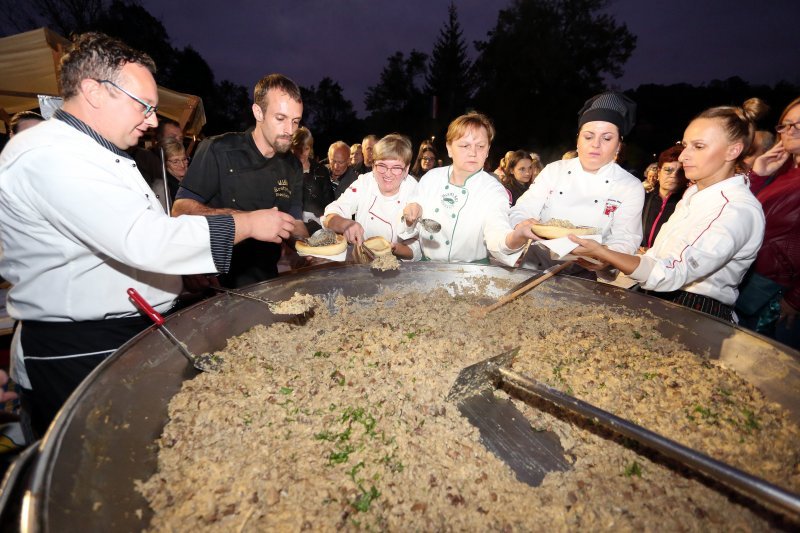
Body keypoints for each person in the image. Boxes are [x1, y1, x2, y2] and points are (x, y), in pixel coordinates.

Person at [0, 32, 296, 437]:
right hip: (78, 349)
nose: (153, 120)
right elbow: (145, 239)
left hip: (131, 331)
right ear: (94, 91)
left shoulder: (102, 154)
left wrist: (180, 278)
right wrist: (247, 224)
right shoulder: (49, 153)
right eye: (144, 106)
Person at [570, 99, 767, 322]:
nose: (683, 156)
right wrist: (609, 259)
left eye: (698, 146)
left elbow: (669, 272)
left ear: (733, 150)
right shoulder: (695, 195)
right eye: (685, 145)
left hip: (696, 314)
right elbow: (657, 257)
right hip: (658, 299)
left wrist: (603, 252)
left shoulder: (735, 209)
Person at [172, 73, 307, 288]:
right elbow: (180, 210)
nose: (290, 131)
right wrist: (248, 220)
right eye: (280, 119)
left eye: (296, 121)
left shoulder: (293, 166)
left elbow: (295, 222)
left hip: (266, 280)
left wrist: (310, 248)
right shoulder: (218, 149)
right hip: (216, 281)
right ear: (258, 112)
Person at [509, 92, 644, 278]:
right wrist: (521, 224)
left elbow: (626, 239)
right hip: (534, 266)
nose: (595, 144)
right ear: (578, 139)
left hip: (584, 274)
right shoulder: (554, 170)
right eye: (588, 137)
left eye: (606, 138)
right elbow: (521, 210)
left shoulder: (629, 186)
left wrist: (605, 256)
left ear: (619, 145)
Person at [400, 112, 531, 265]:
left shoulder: (493, 189)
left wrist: (517, 236)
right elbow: (409, 228)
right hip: (427, 270)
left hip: (473, 274)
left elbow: (497, 235)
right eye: (464, 145)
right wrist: (410, 216)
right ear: (449, 148)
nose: (473, 153)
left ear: (488, 150)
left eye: (481, 146)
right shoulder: (430, 179)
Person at [736, 96, 800, 347]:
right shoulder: (780, 171)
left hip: (780, 299)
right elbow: (742, 214)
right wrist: (758, 175)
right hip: (750, 282)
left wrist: (795, 299)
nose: (790, 130)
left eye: (799, 124)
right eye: (786, 124)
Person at [323, 134, 420, 260]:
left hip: (398, 268)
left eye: (396, 167)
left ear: (406, 169)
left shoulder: (414, 189)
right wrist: (345, 224)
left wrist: (393, 248)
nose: (388, 174)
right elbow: (330, 215)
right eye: (382, 166)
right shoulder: (364, 183)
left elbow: (417, 248)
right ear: (373, 166)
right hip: (361, 263)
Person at [640, 145, 687, 252]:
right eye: (668, 170)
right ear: (659, 172)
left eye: (680, 172)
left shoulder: (687, 205)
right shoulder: (643, 199)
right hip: (634, 260)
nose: (673, 176)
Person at [291, 126, 332, 234]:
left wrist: (326, 218)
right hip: (294, 225)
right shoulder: (286, 170)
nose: (302, 153)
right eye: (298, 149)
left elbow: (330, 201)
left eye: (306, 149)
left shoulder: (321, 170)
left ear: (310, 148)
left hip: (320, 226)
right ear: (292, 148)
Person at [162, 138, 188, 204]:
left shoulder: (193, 179)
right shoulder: (166, 189)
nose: (182, 165)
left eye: (184, 159)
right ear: (165, 164)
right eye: (175, 161)